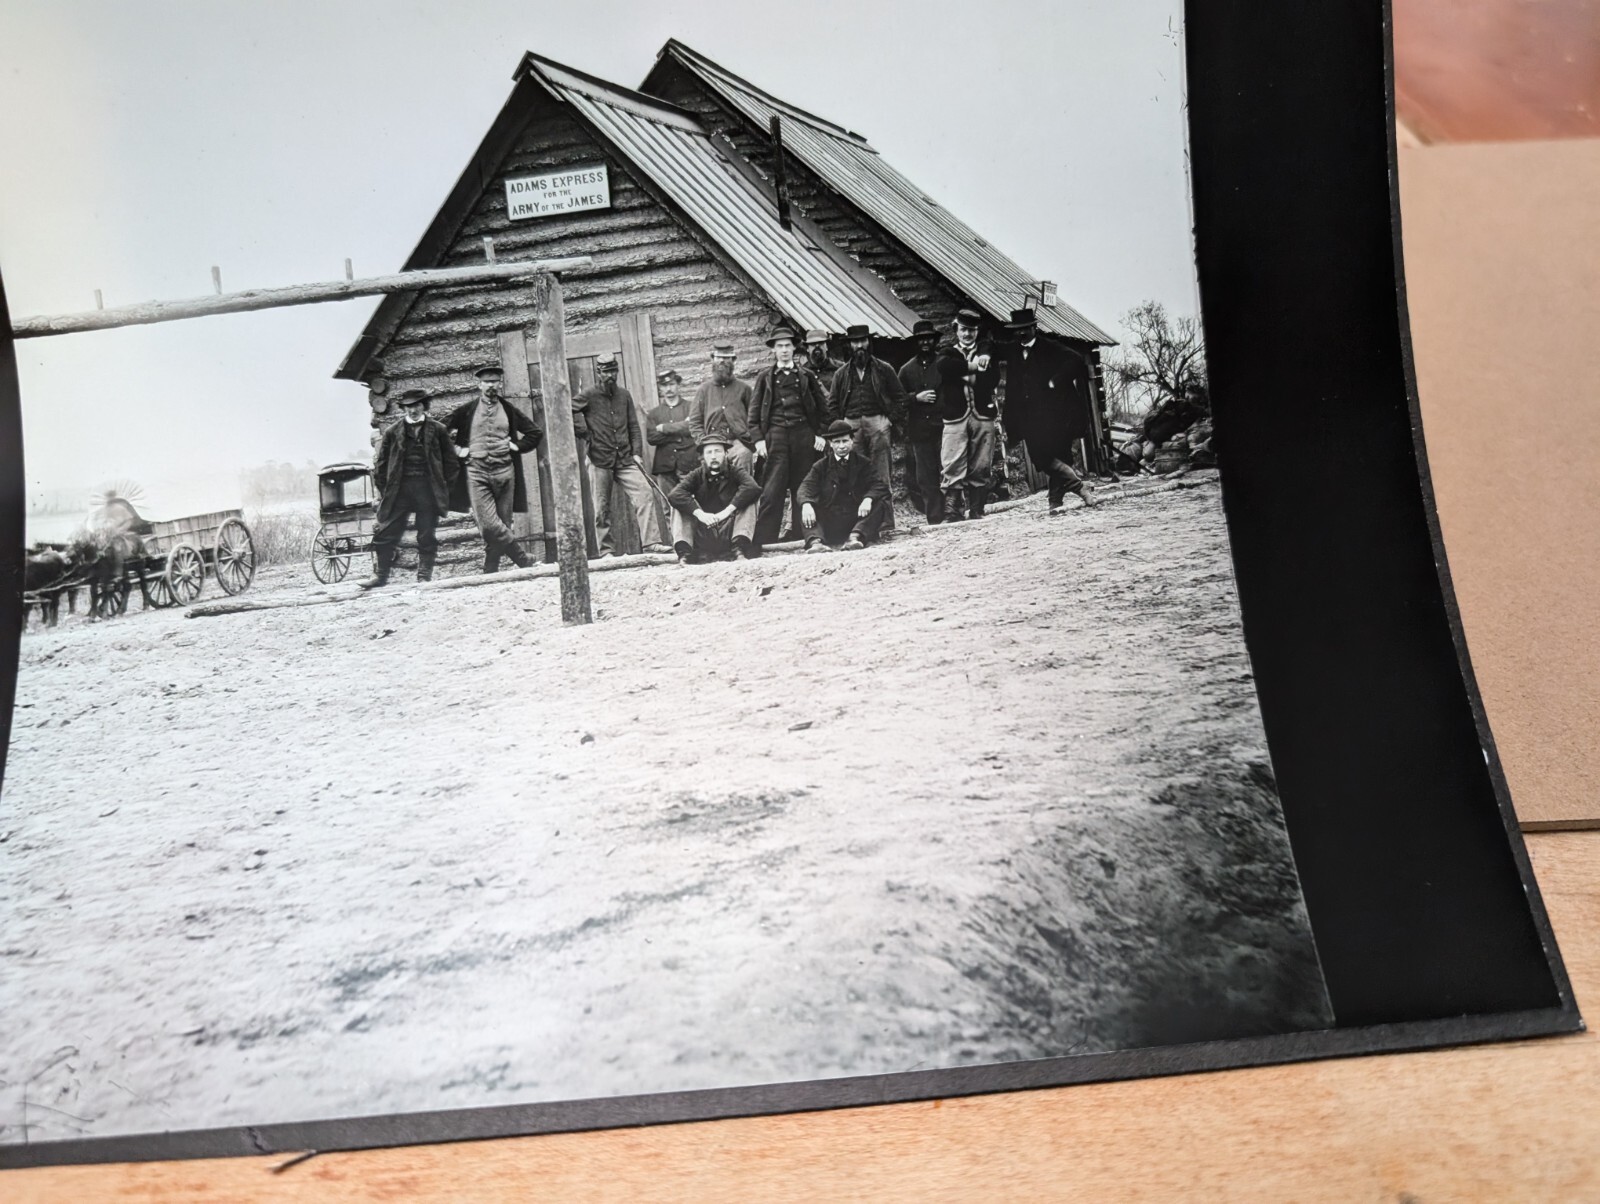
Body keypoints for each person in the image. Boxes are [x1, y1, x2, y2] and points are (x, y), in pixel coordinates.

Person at [443, 365, 544, 573]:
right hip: (476, 472)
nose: (491, 385)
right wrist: (458, 450)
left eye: (495, 381)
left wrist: (516, 446)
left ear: (500, 384)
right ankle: (524, 559)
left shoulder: (508, 409)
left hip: (505, 473)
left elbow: (534, 432)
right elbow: (438, 433)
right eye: (487, 382)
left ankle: (490, 571)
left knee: (502, 526)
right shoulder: (467, 410)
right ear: (479, 385)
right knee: (489, 525)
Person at [572, 351, 671, 556]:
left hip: (625, 458)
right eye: (606, 372)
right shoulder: (589, 395)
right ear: (598, 372)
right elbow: (567, 410)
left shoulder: (624, 395)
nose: (610, 376)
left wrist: (636, 452)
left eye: (613, 371)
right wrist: (585, 433)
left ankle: (651, 543)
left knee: (645, 493)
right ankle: (606, 551)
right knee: (601, 508)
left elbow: (634, 426)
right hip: (599, 459)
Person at [1000, 308, 1099, 511]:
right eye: (1017, 330)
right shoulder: (1013, 350)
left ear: (1034, 328)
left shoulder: (1050, 347)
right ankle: (1080, 488)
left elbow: (1076, 360)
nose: (1021, 334)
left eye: (1025, 329)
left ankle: (1055, 503)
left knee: (1060, 454)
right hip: (1029, 418)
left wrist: (1056, 380)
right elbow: (989, 348)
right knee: (1040, 456)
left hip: (1055, 415)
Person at [364, 389, 460, 588]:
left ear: (424, 406)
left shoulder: (438, 429)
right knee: (385, 531)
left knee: (426, 534)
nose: (413, 410)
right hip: (399, 490)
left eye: (417, 405)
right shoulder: (393, 431)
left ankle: (424, 576)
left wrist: (443, 488)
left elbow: (451, 463)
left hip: (428, 489)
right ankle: (380, 575)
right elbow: (381, 465)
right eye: (409, 406)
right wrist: (385, 489)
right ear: (403, 409)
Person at [750, 325, 830, 546]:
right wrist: (758, 440)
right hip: (775, 438)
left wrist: (821, 434)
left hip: (803, 436)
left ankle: (807, 536)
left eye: (788, 346)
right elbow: (753, 415)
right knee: (771, 491)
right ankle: (765, 542)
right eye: (780, 346)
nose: (784, 350)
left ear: (794, 349)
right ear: (773, 351)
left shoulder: (806, 376)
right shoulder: (765, 378)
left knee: (803, 487)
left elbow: (824, 408)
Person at [827, 324, 907, 531]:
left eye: (863, 341)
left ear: (869, 342)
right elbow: (833, 404)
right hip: (851, 427)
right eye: (855, 342)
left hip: (877, 423)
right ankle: (861, 526)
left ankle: (886, 523)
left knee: (882, 474)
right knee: (856, 475)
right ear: (850, 345)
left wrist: (888, 421)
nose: (859, 346)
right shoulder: (841, 374)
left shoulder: (883, 368)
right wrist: (840, 430)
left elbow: (901, 398)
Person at [936, 308, 1003, 521]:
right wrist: (973, 367)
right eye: (964, 330)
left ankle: (977, 509)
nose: (967, 335)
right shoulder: (947, 351)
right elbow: (944, 367)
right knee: (952, 461)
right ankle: (951, 512)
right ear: (957, 330)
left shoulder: (987, 352)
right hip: (955, 416)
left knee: (982, 463)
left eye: (972, 331)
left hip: (983, 415)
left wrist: (962, 376)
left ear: (977, 332)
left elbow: (991, 380)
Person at [796, 419, 891, 551]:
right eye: (837, 442)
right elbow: (805, 488)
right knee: (805, 507)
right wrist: (806, 504)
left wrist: (868, 499)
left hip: (856, 520)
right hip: (830, 522)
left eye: (845, 441)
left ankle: (855, 538)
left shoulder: (863, 463)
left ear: (852, 441)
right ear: (830, 444)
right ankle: (816, 542)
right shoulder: (820, 466)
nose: (841, 446)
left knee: (879, 503)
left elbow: (879, 485)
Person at [666, 434, 762, 564]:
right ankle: (685, 554)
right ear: (703, 456)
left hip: (730, 531)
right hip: (705, 533)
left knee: (750, 499)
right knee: (679, 505)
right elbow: (675, 495)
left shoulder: (736, 472)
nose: (713, 456)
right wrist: (700, 514)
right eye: (709, 452)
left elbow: (753, 488)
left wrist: (727, 512)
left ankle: (739, 550)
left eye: (718, 451)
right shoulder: (696, 475)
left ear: (726, 453)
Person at [896, 317, 946, 524]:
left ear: (934, 341)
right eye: (921, 340)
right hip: (920, 430)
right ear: (915, 342)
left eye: (928, 339)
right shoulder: (906, 370)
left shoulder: (944, 363)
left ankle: (954, 511)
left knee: (948, 469)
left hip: (944, 427)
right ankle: (934, 517)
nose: (925, 343)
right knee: (926, 476)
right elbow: (897, 399)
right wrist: (915, 398)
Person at [688, 342, 757, 474]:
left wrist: (749, 440)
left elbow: (754, 418)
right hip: (712, 442)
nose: (722, 361)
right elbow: (695, 422)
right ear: (712, 359)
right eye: (718, 358)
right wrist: (704, 443)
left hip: (738, 443)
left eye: (726, 358)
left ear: (733, 360)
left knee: (744, 455)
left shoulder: (744, 389)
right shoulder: (704, 390)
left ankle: (745, 493)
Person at [645, 368, 698, 490]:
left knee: (693, 502)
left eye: (672, 384)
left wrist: (665, 428)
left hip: (689, 464)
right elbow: (652, 438)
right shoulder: (654, 414)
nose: (668, 389)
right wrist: (681, 430)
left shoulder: (691, 407)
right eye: (664, 385)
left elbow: (693, 428)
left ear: (678, 385)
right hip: (664, 467)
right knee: (668, 506)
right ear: (660, 388)